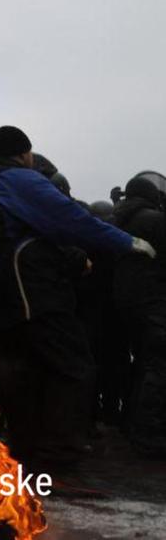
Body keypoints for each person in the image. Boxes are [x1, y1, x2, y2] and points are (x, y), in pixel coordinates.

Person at [0, 126, 154, 467]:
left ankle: (27, 452)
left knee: (27, 371)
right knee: (73, 366)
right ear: (24, 152)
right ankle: (59, 459)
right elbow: (71, 219)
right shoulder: (18, 180)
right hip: (32, 293)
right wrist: (127, 242)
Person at [110, 172, 166, 456]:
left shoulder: (118, 219)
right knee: (158, 367)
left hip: (125, 305)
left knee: (141, 365)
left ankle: (132, 426)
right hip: (154, 304)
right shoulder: (155, 221)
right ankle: (149, 434)